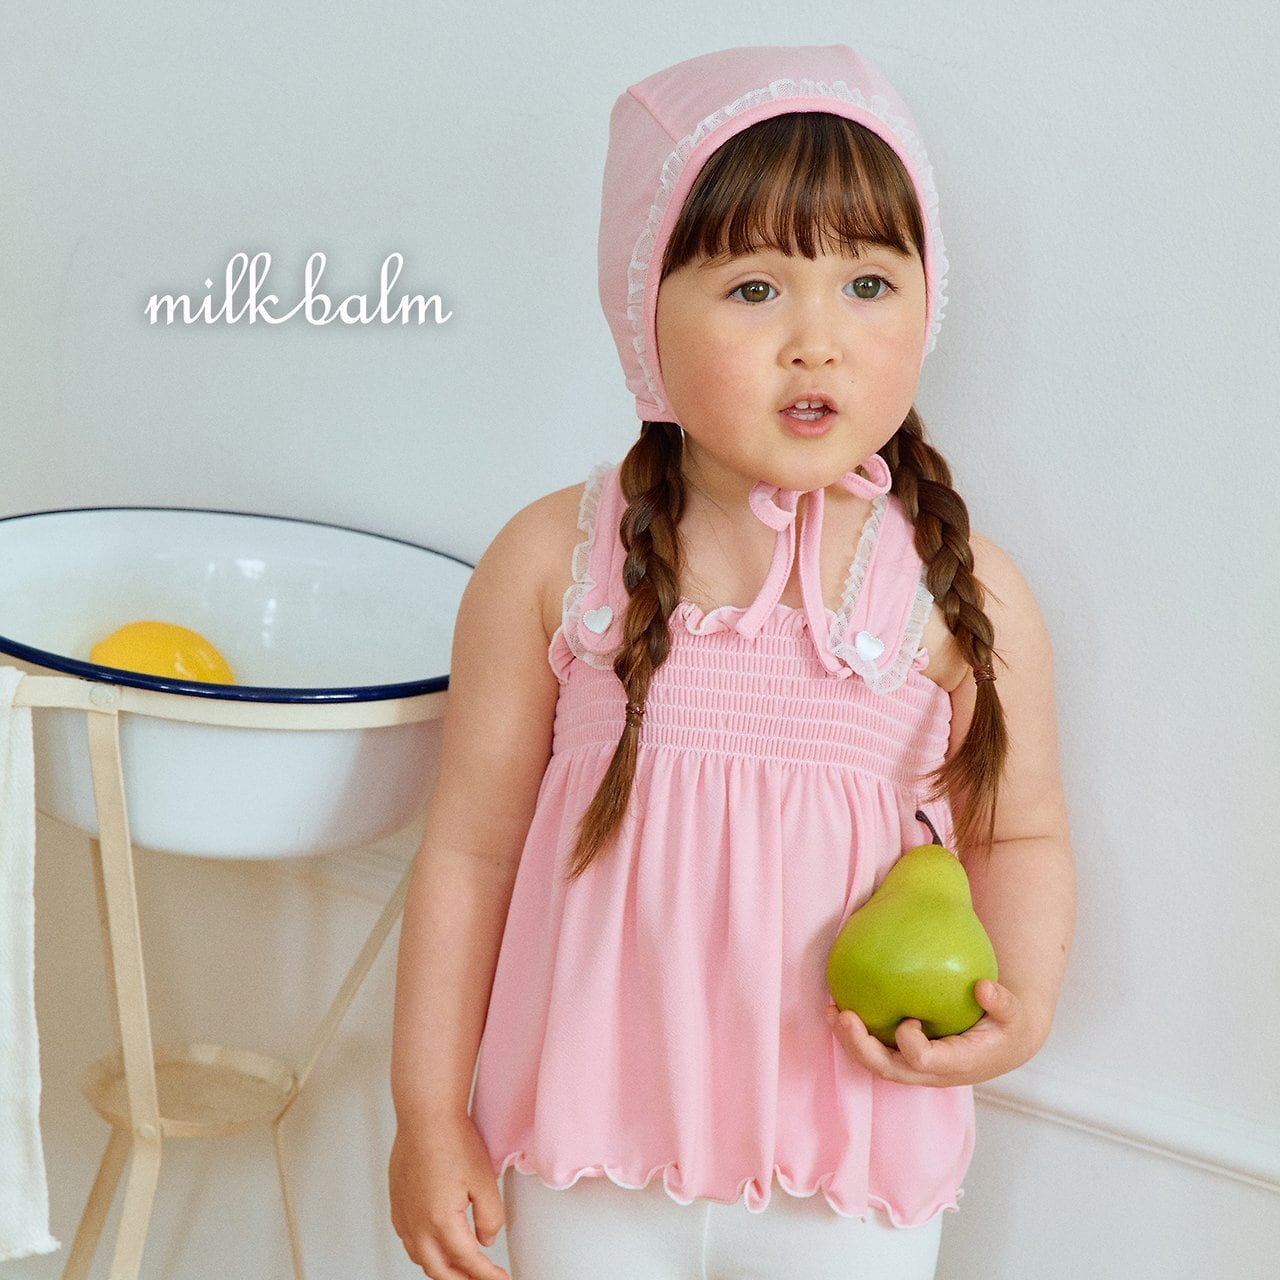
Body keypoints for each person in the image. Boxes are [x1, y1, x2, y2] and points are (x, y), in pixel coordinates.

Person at [388, 43, 1075, 1280]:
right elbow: (468, 855)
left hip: (851, 1152)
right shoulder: (554, 565)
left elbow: (1016, 832)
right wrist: (428, 1114)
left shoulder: (958, 595)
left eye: (866, 283)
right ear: (642, 308)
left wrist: (1010, 1012)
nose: (816, 340)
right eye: (755, 287)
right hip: (587, 1149)